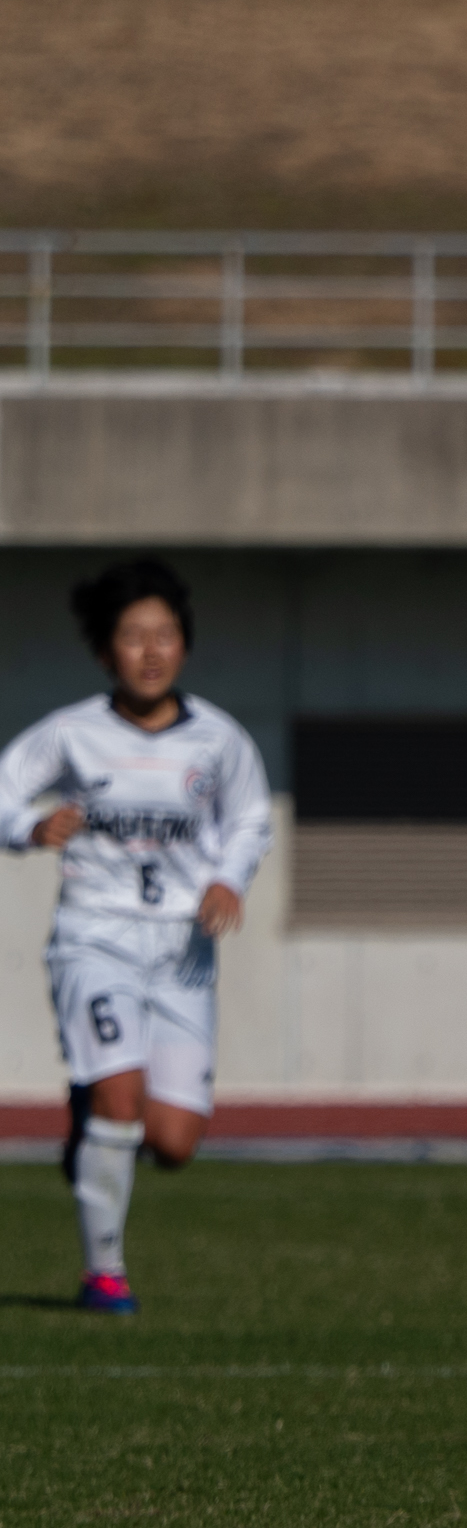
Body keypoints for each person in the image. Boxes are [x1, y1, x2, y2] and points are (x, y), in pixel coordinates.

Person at [0, 559, 274, 1314]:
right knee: (120, 1099)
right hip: (95, 939)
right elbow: (4, 788)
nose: (151, 651)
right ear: (104, 651)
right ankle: (105, 1276)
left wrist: (228, 878)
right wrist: (29, 827)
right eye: (132, 636)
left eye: (165, 634)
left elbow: (251, 821)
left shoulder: (219, 740)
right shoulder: (72, 733)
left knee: (175, 1142)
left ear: (184, 643)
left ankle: (88, 1119)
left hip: (183, 951)